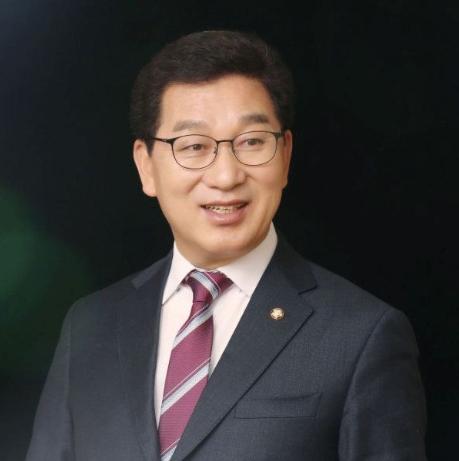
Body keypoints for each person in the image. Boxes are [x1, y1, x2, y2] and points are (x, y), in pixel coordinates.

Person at [26, 30, 427, 461]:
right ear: (146, 166)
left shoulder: (362, 335)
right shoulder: (90, 327)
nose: (226, 176)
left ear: (285, 155)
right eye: (194, 146)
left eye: (252, 142)